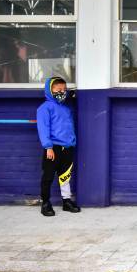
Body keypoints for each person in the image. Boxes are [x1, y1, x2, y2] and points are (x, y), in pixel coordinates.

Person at [36, 77, 80, 216]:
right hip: (53, 148)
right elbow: (43, 128)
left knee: (65, 176)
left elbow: (69, 127)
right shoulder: (44, 108)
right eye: (58, 90)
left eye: (64, 90)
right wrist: (48, 147)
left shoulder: (66, 109)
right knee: (48, 176)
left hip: (67, 148)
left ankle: (66, 201)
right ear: (50, 90)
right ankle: (46, 203)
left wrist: (72, 142)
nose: (62, 92)